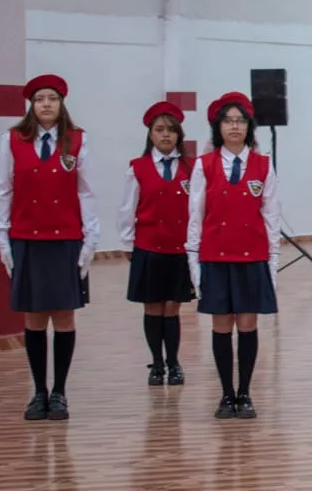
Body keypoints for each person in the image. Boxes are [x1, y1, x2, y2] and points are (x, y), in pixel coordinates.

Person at [0, 74, 98, 421]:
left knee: (64, 316)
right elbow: (3, 189)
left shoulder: (78, 140)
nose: (47, 104)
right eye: (40, 99)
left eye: (52, 98)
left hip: (65, 238)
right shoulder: (12, 140)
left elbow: (87, 192)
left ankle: (60, 393)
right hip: (27, 238)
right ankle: (38, 392)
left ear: (62, 103)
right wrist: (3, 236)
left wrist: (90, 239)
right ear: (31, 105)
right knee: (34, 317)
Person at [187, 92, 281, 419]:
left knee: (248, 325)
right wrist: (194, 265)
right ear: (218, 127)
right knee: (222, 326)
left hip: (252, 258)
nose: (235, 126)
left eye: (240, 120)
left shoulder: (263, 165)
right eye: (228, 120)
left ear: (249, 125)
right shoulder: (204, 165)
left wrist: (272, 265)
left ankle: (245, 392)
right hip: (216, 258)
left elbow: (271, 217)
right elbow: (195, 218)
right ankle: (226, 394)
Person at [119, 101, 196, 385]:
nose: (166, 135)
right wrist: (129, 244)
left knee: (173, 308)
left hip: (179, 249)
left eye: (171, 130)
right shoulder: (137, 168)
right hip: (149, 247)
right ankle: (157, 363)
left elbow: (198, 209)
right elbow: (127, 208)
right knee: (152, 307)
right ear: (150, 134)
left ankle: (174, 362)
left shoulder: (192, 167)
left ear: (179, 134)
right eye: (160, 129)